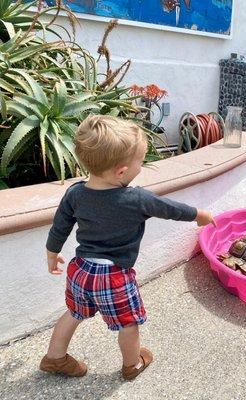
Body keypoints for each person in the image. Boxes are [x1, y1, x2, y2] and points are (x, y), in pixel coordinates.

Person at [39, 115, 215, 380]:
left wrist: (52, 253)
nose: (140, 167)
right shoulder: (136, 199)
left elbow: (60, 226)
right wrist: (198, 214)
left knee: (74, 313)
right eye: (140, 162)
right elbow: (170, 209)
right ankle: (132, 364)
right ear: (122, 171)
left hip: (80, 271)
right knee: (128, 324)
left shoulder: (75, 193)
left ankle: (54, 358)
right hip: (113, 277)